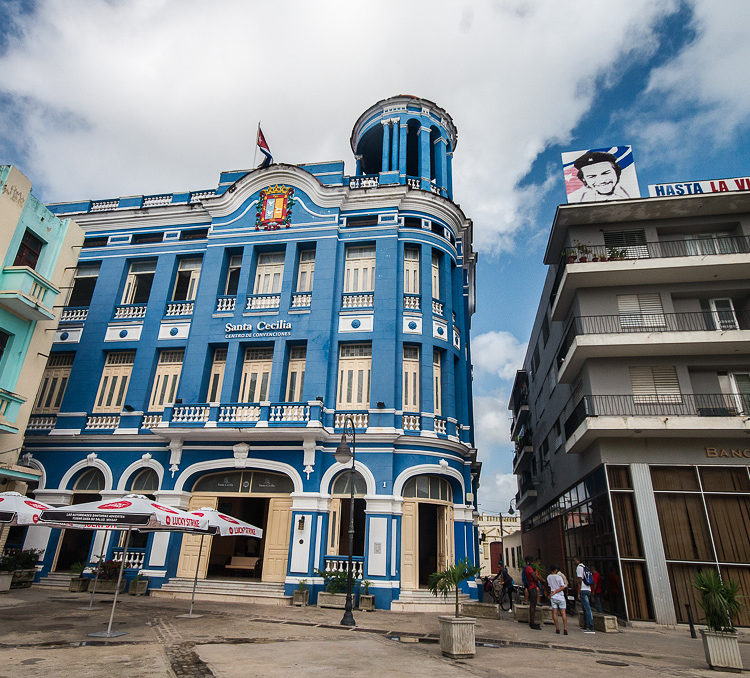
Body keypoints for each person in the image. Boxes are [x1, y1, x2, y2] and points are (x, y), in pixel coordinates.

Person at [574, 556, 595, 633]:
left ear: (577, 560)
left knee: (587, 608)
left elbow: (579, 580)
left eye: (574, 560)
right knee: (585, 608)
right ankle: (586, 625)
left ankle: (590, 625)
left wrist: (578, 592)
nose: (574, 562)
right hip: (588, 589)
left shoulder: (579, 567)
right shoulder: (586, 567)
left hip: (583, 589)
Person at [547, 565, 568, 635]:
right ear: (556, 570)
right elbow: (562, 587)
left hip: (553, 597)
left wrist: (552, 593)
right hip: (560, 596)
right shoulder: (559, 577)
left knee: (554, 613)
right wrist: (556, 591)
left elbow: (549, 586)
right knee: (563, 613)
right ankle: (565, 629)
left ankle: (557, 628)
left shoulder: (548, 577)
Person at [523, 556, 541, 630]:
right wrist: (537, 578)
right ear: (529, 561)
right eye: (531, 561)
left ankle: (532, 622)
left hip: (530, 587)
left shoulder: (525, 568)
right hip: (532, 587)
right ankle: (532, 622)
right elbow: (534, 577)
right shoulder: (529, 568)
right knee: (533, 605)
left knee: (532, 605)